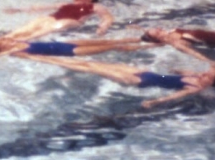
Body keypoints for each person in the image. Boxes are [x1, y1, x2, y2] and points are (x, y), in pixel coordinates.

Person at [21, 52, 215, 108]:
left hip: (137, 81)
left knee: (92, 68)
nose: (210, 68)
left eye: (213, 70)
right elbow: (178, 73)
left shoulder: (196, 86)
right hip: (144, 72)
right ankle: (41, 56)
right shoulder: (198, 75)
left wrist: (154, 102)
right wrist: (175, 68)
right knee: (94, 61)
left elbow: (175, 96)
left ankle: (36, 57)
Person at [3, 0, 113, 40]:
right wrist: (18, 10)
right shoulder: (64, 4)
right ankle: (7, 38)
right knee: (41, 19)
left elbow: (107, 17)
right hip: (52, 20)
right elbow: (40, 7)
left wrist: (104, 26)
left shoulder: (94, 6)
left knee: (64, 22)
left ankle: (25, 39)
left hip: (73, 22)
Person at [0, 34, 155, 59]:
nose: (3, 39)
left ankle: (146, 38)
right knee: (114, 47)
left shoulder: (15, 40)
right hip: (71, 51)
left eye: (0, 38)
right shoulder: (12, 51)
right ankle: (151, 47)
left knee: (113, 41)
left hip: (66, 43)